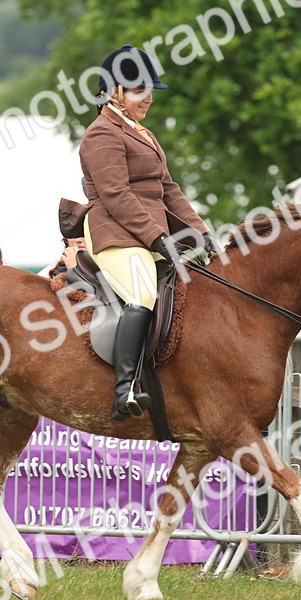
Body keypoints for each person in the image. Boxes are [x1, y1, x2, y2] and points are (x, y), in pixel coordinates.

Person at [79, 43, 214, 420]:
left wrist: (200, 233)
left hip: (150, 232)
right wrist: (158, 238)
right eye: (140, 90)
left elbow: (169, 190)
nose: (149, 98)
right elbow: (116, 195)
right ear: (114, 92)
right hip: (116, 233)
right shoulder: (100, 135)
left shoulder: (144, 133)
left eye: (150, 90)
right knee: (142, 291)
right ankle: (124, 390)